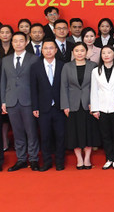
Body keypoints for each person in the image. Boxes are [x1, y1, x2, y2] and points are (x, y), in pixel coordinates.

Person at [1, 32, 39, 170]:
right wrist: (3, 101)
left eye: (21, 41)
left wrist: (37, 102)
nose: (18, 43)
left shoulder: (34, 59)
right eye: (15, 41)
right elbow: (3, 82)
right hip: (11, 101)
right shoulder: (6, 60)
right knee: (17, 132)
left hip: (28, 100)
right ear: (12, 43)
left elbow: (37, 83)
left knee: (31, 131)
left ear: (26, 42)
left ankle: (34, 159)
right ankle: (21, 159)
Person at [61, 42, 98, 169]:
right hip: (73, 104)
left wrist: (94, 104)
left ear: (86, 52)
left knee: (88, 131)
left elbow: (96, 87)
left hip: (88, 104)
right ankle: (79, 159)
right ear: (73, 52)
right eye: (77, 51)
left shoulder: (93, 65)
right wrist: (65, 105)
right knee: (74, 132)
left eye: (82, 50)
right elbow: (63, 87)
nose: (79, 53)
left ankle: (87, 158)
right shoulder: (67, 67)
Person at [31, 40, 66, 171]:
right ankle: (46, 162)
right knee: (45, 136)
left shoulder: (63, 66)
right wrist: (35, 107)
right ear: (42, 50)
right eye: (46, 48)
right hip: (43, 108)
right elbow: (33, 89)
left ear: (56, 50)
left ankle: (60, 162)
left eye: (51, 48)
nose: (49, 50)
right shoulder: (35, 67)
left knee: (60, 136)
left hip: (59, 107)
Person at [90, 46, 114, 169]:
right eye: (103, 53)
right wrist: (95, 108)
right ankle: (109, 158)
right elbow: (94, 90)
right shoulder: (95, 71)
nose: (106, 55)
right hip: (102, 107)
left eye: (109, 52)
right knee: (105, 134)